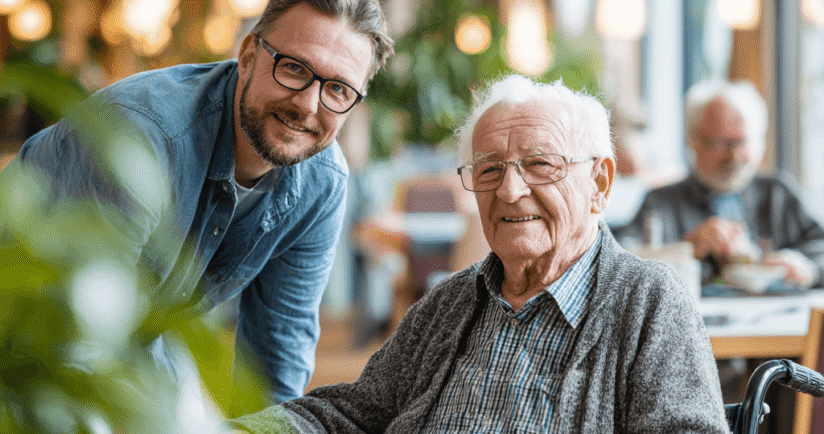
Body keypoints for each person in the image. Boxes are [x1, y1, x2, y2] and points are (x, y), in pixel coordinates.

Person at [225, 75, 730, 433]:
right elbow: (348, 413)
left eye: (540, 165)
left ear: (599, 183)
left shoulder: (649, 303)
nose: (509, 191)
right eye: (488, 169)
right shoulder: (447, 303)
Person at [3, 0, 393, 404]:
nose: (308, 105)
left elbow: (278, 365)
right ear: (248, 56)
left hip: (133, 336)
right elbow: (76, 350)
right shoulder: (141, 140)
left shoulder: (322, 182)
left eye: (338, 89)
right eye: (294, 68)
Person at [616, 80, 824, 289]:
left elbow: (819, 245)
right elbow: (621, 261)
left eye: (741, 142)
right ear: (693, 141)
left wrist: (807, 267)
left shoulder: (777, 194)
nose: (733, 155)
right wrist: (687, 247)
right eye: (720, 143)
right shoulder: (661, 202)